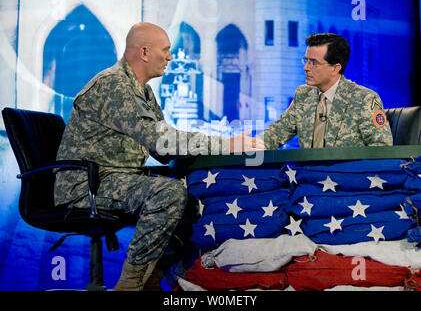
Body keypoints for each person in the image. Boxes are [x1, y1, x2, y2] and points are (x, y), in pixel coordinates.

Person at [53, 22, 263, 291]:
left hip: (113, 179)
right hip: (86, 187)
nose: (170, 57)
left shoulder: (142, 90)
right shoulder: (114, 86)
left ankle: (158, 277)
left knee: (189, 191)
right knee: (168, 194)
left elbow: (162, 147)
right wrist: (226, 144)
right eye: (165, 50)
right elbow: (162, 143)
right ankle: (130, 286)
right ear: (144, 52)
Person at [257, 33, 393, 149]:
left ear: (335, 68)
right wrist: (244, 145)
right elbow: (276, 133)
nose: (305, 68)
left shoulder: (364, 99)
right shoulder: (303, 94)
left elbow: (381, 147)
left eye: (313, 63)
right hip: (307, 176)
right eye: (306, 61)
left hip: (344, 176)